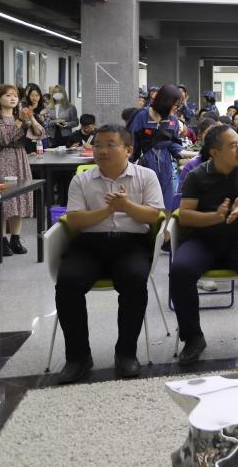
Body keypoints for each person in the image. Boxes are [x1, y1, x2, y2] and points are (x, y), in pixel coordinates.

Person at [54, 124, 165, 383]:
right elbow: (75, 220)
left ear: (128, 150)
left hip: (131, 244)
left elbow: (154, 215)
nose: (102, 151)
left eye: (110, 145)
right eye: (97, 145)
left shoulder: (146, 176)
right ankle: (78, 357)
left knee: (134, 281)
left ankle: (126, 353)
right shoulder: (81, 179)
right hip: (89, 244)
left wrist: (126, 206)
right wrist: (108, 210)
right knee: (68, 283)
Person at [171, 124, 238, 363]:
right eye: (233, 145)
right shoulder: (197, 175)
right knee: (180, 271)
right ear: (215, 152)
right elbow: (185, 215)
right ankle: (193, 337)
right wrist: (215, 217)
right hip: (203, 240)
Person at [0, 84, 44, 256]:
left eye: (16, 96)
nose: (13, 99)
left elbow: (40, 134)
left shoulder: (22, 116)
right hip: (1, 161)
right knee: (4, 201)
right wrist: (19, 120)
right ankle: (2, 240)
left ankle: (15, 239)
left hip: (20, 158)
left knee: (19, 198)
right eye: (8, 95)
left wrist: (31, 118)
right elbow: (4, 138)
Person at [127, 83, 185, 211]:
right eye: (176, 105)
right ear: (166, 102)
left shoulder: (173, 120)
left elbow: (173, 143)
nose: (177, 108)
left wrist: (181, 153)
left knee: (166, 204)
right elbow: (130, 143)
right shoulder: (142, 116)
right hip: (143, 165)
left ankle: (164, 223)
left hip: (165, 167)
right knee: (145, 204)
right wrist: (128, 166)